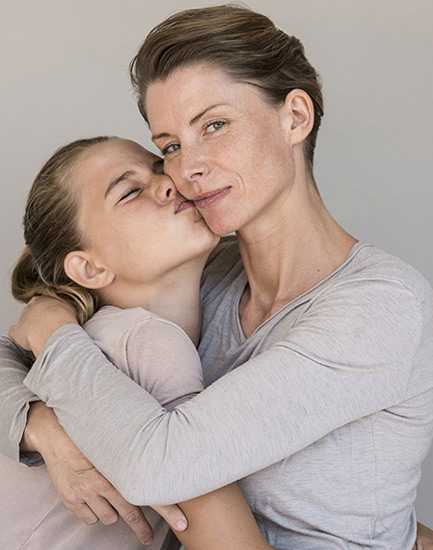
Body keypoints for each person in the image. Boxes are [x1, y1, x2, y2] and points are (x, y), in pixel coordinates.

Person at [3, 5, 433, 549]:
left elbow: (161, 466)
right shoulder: (204, 277)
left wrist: (46, 327)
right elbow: (20, 352)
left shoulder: (380, 307)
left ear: (295, 117)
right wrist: (38, 425)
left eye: (215, 125)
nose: (186, 170)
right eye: (171, 147)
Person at [0, 135, 274, 550]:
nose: (168, 184)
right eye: (129, 192)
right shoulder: (149, 344)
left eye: (160, 168)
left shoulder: (105, 336)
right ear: (90, 268)